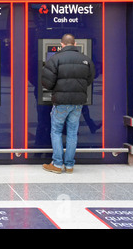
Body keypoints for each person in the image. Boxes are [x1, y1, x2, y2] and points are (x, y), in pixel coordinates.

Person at [41, 33, 95, 174]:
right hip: (77, 103)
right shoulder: (86, 60)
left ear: (62, 45)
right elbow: (89, 79)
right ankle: (69, 165)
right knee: (72, 133)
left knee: (56, 132)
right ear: (75, 44)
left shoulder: (55, 59)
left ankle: (58, 164)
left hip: (61, 102)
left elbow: (47, 82)